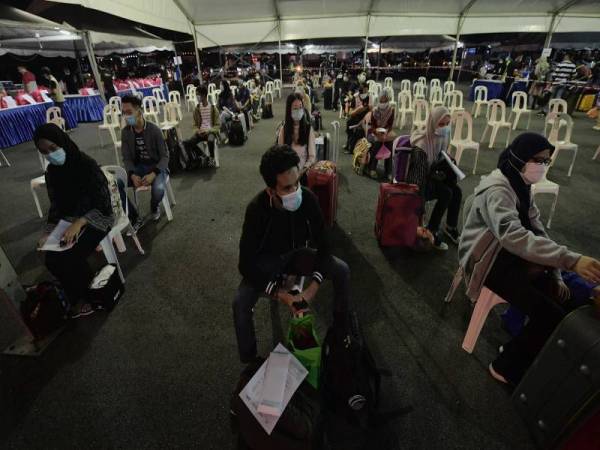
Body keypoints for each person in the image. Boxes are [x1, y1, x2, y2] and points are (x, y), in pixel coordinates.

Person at [458, 132, 600, 385]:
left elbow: (537, 229)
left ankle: (517, 350)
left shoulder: (520, 184)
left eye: (547, 161)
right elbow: (515, 237)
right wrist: (569, 260)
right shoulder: (498, 190)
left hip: (509, 256)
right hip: (488, 261)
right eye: (539, 160)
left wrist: (556, 271)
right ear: (519, 157)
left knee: (561, 301)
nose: (543, 166)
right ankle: (504, 367)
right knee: (549, 315)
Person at [233, 145, 351, 363]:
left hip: (296, 255)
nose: (295, 191)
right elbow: (245, 264)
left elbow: (325, 243)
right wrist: (281, 294)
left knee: (341, 269)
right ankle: (250, 361)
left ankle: (342, 329)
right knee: (240, 302)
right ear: (271, 190)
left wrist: (313, 288)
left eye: (297, 183)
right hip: (267, 263)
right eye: (287, 188)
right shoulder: (256, 209)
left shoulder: (307, 198)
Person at [33, 123, 113, 317]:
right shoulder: (52, 172)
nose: (51, 154)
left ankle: (89, 296)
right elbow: (56, 207)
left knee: (71, 256)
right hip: (68, 220)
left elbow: (103, 203)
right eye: (45, 152)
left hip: (97, 217)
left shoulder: (86, 164)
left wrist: (80, 222)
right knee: (51, 258)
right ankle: (75, 293)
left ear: (63, 142)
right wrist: (48, 231)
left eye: (53, 148)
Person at [408, 106, 462, 250]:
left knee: (456, 191)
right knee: (447, 193)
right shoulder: (422, 145)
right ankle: (431, 230)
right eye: (441, 124)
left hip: (430, 177)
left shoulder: (441, 138)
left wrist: (449, 163)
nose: (445, 128)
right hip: (417, 183)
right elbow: (416, 181)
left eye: (447, 124)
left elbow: (439, 158)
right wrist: (420, 211)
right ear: (432, 123)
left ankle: (450, 227)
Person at [120, 95, 169, 221]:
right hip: (139, 167)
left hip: (156, 166)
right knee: (117, 183)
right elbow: (126, 158)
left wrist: (154, 173)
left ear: (139, 111)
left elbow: (165, 156)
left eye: (129, 112)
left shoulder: (154, 130)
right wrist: (132, 174)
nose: (126, 116)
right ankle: (133, 217)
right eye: (124, 113)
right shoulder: (125, 132)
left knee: (158, 190)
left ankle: (154, 206)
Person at [278, 93, 316, 183]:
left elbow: (312, 157)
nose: (298, 110)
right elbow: (279, 154)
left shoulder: (308, 129)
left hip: (303, 173)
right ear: (289, 110)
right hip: (287, 173)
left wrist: (302, 172)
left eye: (300, 107)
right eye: (295, 108)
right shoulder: (284, 129)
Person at [366, 90, 396, 180]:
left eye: (385, 101)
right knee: (378, 143)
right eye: (381, 101)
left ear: (388, 100)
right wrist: (377, 132)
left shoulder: (391, 110)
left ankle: (389, 171)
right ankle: (372, 169)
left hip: (385, 132)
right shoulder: (375, 110)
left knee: (389, 144)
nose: (383, 103)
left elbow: (390, 125)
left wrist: (386, 131)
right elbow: (372, 126)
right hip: (374, 132)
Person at [185, 85, 220, 159]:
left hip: (210, 132)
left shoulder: (213, 109)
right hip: (200, 132)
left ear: (203, 95)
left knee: (210, 141)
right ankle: (203, 156)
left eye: (198, 94)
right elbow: (194, 124)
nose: (196, 96)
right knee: (188, 143)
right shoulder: (197, 109)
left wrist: (208, 131)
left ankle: (212, 158)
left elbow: (217, 125)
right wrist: (198, 131)